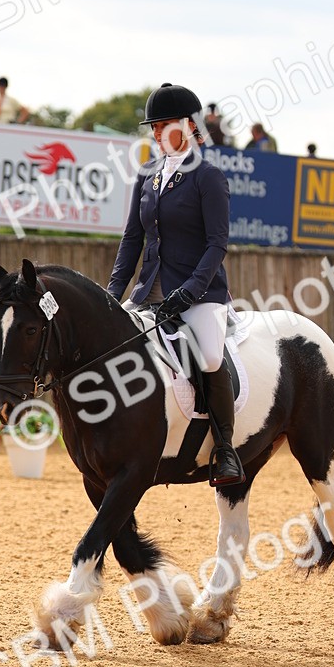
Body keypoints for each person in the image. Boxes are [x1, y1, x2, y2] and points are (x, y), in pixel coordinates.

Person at [107, 81, 245, 488]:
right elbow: (133, 239)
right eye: (153, 126)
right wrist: (111, 295)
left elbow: (217, 243)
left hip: (200, 293)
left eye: (164, 124)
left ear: (188, 125)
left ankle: (225, 450)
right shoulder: (147, 177)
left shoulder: (208, 177)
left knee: (208, 358)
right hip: (149, 289)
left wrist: (191, 290)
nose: (156, 133)